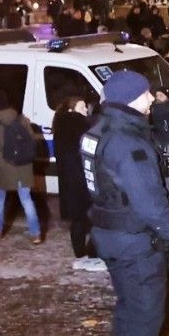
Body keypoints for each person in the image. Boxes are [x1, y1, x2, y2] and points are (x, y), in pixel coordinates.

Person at [82, 68, 169, 336]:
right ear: (133, 97)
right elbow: (150, 201)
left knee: (128, 303)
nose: (151, 99)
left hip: (110, 232)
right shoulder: (129, 142)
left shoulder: (99, 130)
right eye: (146, 93)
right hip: (134, 238)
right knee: (146, 308)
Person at [0, 88, 44, 243]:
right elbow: (31, 141)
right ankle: (35, 233)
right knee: (26, 198)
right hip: (23, 167)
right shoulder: (22, 119)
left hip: (2, 169)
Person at [52, 90, 101, 268]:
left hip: (69, 181)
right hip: (82, 178)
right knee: (94, 217)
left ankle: (80, 254)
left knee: (78, 219)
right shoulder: (77, 123)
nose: (86, 111)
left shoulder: (61, 124)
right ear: (72, 109)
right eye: (82, 107)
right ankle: (92, 254)